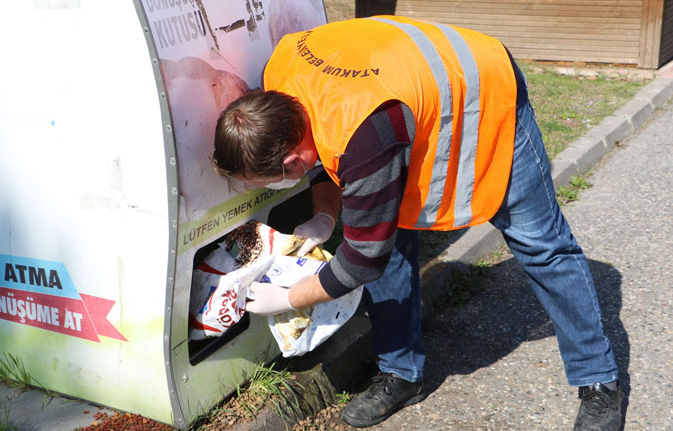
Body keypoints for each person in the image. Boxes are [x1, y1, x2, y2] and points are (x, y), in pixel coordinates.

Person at [212, 16, 622, 431]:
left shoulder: (363, 132)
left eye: (275, 180)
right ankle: (401, 374)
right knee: (387, 240)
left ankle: (599, 382)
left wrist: (289, 299)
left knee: (542, 246)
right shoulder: (278, 79)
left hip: (487, 89)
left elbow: (361, 261)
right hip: (408, 101)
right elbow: (323, 157)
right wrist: (324, 217)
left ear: (289, 161)